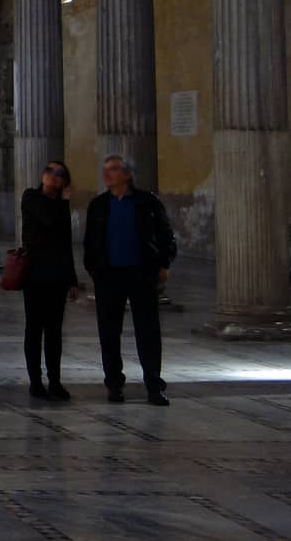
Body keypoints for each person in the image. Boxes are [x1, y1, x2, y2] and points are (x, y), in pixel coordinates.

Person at [83, 154, 178, 405]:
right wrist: (94, 269)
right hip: (109, 274)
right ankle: (114, 384)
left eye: (113, 170)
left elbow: (166, 235)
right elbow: (90, 242)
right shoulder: (99, 205)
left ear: (127, 174)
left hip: (140, 273)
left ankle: (153, 385)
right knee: (109, 332)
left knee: (148, 331)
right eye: (105, 170)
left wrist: (163, 263)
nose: (107, 174)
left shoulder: (147, 202)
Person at [19, 160, 81, 400]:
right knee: (34, 328)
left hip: (56, 275)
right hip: (34, 273)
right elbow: (49, 220)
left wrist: (72, 279)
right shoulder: (31, 197)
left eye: (59, 173)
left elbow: (66, 242)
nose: (53, 175)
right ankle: (36, 381)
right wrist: (64, 202)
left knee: (54, 331)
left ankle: (55, 381)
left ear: (65, 181)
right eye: (49, 170)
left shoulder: (61, 206)